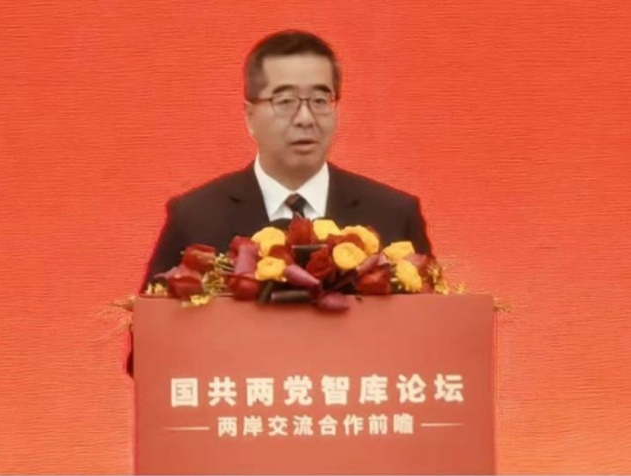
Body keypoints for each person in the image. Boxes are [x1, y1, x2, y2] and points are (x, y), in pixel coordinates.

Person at [127, 30, 433, 375]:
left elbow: (430, 348)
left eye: (320, 100)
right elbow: (148, 356)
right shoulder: (196, 217)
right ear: (249, 117)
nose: (305, 118)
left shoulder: (393, 214)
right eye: (285, 101)